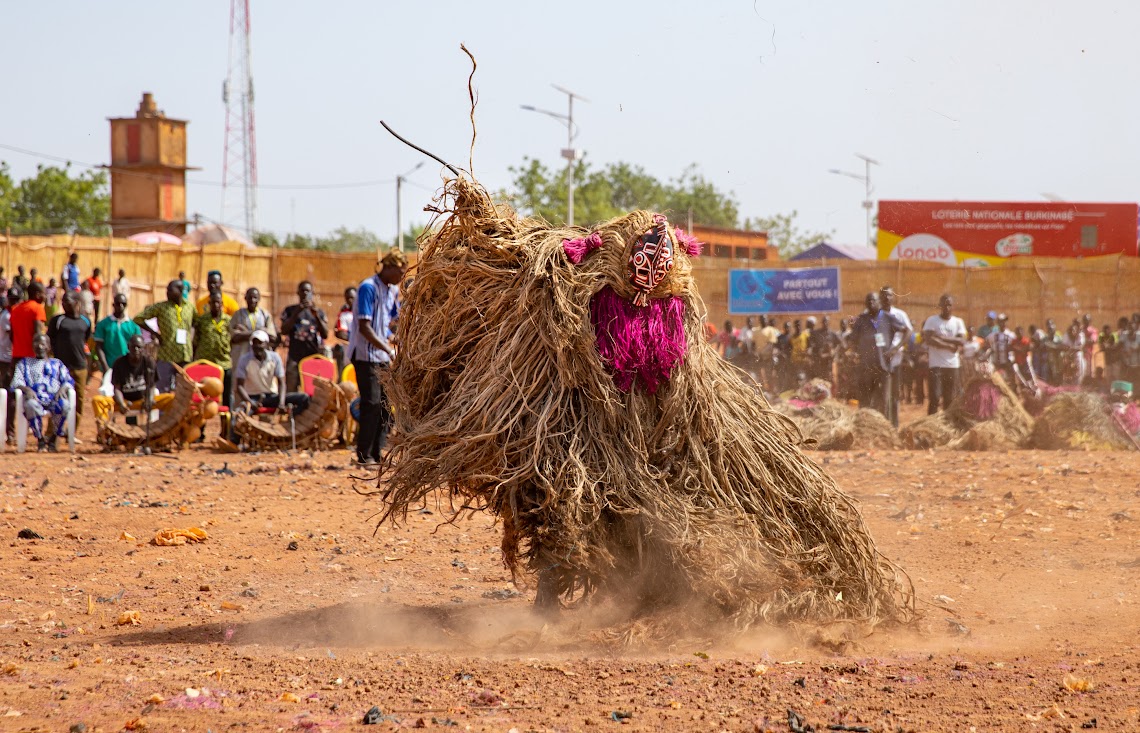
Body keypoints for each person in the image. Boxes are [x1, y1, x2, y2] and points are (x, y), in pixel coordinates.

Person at [348, 251, 407, 465]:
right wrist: (388, 348)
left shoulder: (390, 290)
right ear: (389, 268)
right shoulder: (368, 288)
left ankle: (377, 452)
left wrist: (398, 338)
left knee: (386, 405)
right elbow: (365, 327)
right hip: (365, 355)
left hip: (381, 354)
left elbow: (391, 322)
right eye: (400, 272)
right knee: (371, 403)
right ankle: (364, 455)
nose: (402, 277)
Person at [10, 334, 74, 451]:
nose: (39, 346)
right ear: (32, 346)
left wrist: (62, 388)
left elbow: (68, 380)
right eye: (36, 343)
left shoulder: (57, 364)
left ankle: (53, 439)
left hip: (54, 398)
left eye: (43, 344)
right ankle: (40, 439)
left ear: (48, 347)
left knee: (64, 405)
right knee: (30, 405)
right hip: (35, 399)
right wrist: (27, 389)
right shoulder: (24, 364)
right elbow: (16, 382)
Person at [91, 334, 174, 424]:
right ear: (128, 347)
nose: (136, 350)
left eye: (139, 347)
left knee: (171, 399)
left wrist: (149, 400)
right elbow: (117, 388)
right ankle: (104, 428)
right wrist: (122, 403)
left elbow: (151, 385)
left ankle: (166, 427)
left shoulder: (149, 362)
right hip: (124, 401)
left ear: (143, 348)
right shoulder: (119, 363)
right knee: (97, 401)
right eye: (133, 347)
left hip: (142, 401)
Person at [848, 293, 906, 417]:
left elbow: (907, 331)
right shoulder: (862, 319)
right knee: (865, 401)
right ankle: (865, 428)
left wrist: (895, 349)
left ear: (879, 302)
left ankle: (882, 429)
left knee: (883, 401)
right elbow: (853, 339)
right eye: (868, 301)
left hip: (883, 367)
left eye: (873, 300)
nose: (870, 303)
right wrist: (854, 353)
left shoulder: (888, 317)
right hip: (865, 368)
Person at [234, 329, 310, 416]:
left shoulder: (275, 358)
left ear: (266, 344)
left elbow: (281, 383)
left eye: (260, 343)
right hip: (253, 398)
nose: (257, 346)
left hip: (271, 396)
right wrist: (249, 401)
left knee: (304, 398)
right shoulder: (244, 360)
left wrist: (281, 403)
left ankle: (290, 422)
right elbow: (239, 386)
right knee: (238, 415)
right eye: (254, 343)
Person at [47, 291, 91, 430]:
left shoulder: (85, 321)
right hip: (61, 368)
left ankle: (72, 431)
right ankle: (52, 431)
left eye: (68, 301)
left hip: (80, 367)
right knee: (57, 400)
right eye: (63, 302)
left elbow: (86, 339)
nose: (64, 304)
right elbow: (50, 339)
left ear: (77, 303)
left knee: (79, 401)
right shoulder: (58, 321)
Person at [229, 287, 277, 403]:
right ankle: (239, 413)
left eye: (255, 297)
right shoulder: (238, 315)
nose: (252, 300)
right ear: (245, 298)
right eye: (249, 297)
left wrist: (244, 332)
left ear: (259, 299)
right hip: (241, 356)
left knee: (262, 383)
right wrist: (259, 331)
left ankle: (263, 414)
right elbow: (234, 336)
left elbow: (272, 336)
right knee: (239, 384)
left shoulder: (265, 315)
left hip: (260, 358)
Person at [280, 280, 329, 393]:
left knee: (312, 388)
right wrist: (297, 312)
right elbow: (284, 330)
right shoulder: (290, 310)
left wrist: (316, 317)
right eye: (302, 290)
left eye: (308, 291)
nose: (305, 293)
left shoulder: (318, 312)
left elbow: (325, 334)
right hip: (294, 356)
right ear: (298, 293)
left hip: (312, 356)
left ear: (312, 292)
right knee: (291, 388)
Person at [134, 280, 196, 369]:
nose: (167, 292)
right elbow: (138, 318)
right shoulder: (161, 307)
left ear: (180, 290)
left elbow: (196, 322)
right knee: (164, 382)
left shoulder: (190, 307)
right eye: (167, 290)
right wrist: (155, 334)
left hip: (185, 355)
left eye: (170, 290)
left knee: (184, 382)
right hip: (167, 354)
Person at [922, 294, 967, 415]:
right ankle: (931, 424)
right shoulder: (932, 320)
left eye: (949, 305)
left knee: (950, 398)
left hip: (952, 365)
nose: (947, 307)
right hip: (936, 364)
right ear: (940, 305)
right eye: (944, 304)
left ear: (953, 306)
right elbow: (929, 339)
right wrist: (949, 345)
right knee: (935, 397)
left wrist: (940, 337)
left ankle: (947, 424)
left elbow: (961, 341)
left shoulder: (958, 322)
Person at [879, 285, 913, 427]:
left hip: (896, 360)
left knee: (895, 395)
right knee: (882, 395)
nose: (887, 298)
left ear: (894, 297)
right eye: (884, 295)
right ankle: (884, 425)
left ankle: (895, 425)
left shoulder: (900, 314)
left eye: (890, 295)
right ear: (880, 297)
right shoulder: (877, 314)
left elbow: (908, 332)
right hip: (880, 360)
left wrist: (895, 349)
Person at [193, 291, 234, 407]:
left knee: (227, 395)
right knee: (202, 395)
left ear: (222, 304)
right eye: (213, 303)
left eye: (218, 303)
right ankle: (201, 423)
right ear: (209, 304)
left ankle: (227, 423)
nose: (216, 305)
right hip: (205, 362)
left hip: (224, 362)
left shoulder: (229, 321)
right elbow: (196, 341)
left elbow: (232, 339)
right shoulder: (202, 321)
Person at [94, 292, 141, 375]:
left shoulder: (133, 326)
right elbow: (98, 347)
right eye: (118, 303)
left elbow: (138, 348)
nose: (120, 306)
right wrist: (105, 367)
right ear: (113, 305)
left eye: (123, 304)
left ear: (126, 305)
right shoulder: (103, 324)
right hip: (109, 366)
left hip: (128, 367)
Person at [9, 281, 47, 366]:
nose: (45, 296)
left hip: (16, 357)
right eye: (44, 293)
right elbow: (38, 335)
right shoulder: (38, 308)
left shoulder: (15, 309)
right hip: (32, 358)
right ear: (37, 294)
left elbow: (11, 336)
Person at [984, 313, 1015, 384]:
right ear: (997, 323)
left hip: (1008, 362)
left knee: (1010, 381)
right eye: (1001, 321)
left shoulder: (1011, 335)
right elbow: (987, 344)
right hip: (997, 362)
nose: (1003, 323)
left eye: (1004, 321)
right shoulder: (993, 335)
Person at [333, 286, 357, 375]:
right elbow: (341, 334)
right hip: (348, 351)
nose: (350, 300)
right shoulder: (344, 314)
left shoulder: (367, 312)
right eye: (347, 298)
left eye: (352, 297)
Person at [1060, 321, 1085, 385]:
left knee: (1078, 373)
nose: (1072, 332)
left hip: (1077, 356)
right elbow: (1064, 346)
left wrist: (1071, 348)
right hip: (1068, 356)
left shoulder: (1080, 335)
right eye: (1070, 331)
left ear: (1076, 331)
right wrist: (1073, 349)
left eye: (1074, 331)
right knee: (1067, 372)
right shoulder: (1066, 335)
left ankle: (1077, 387)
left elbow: (1081, 347)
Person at [1080, 314, 1098, 384]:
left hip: (1088, 354)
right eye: (1084, 320)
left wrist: (1083, 341)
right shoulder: (1080, 329)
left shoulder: (1093, 330)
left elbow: (1093, 341)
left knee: (1087, 372)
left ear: (1090, 321)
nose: (1086, 322)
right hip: (1080, 353)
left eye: (1087, 320)